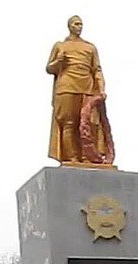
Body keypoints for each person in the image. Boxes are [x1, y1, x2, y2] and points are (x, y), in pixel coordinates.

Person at [46, 15, 110, 163]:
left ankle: (86, 156)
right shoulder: (60, 46)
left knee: (88, 124)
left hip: (87, 88)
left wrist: (101, 88)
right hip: (67, 86)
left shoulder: (90, 47)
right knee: (69, 123)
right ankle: (72, 157)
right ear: (70, 26)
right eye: (76, 24)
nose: (79, 27)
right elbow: (49, 68)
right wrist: (58, 62)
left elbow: (97, 70)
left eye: (80, 24)